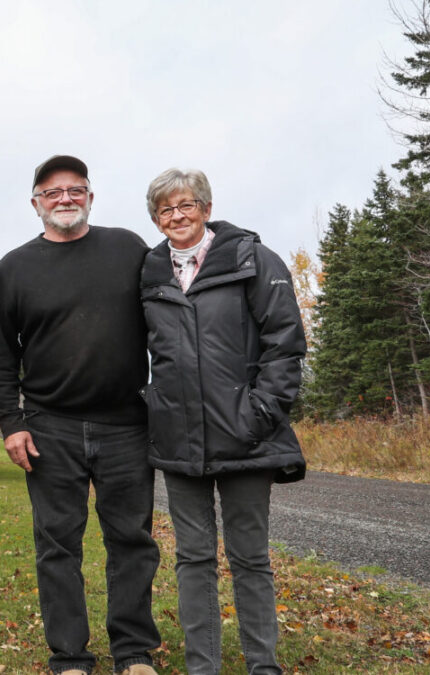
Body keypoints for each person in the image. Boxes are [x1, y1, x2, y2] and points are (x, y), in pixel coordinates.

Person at [0, 155, 161, 675]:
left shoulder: (127, 248)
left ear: (90, 196)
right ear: (36, 203)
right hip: (48, 428)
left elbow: (168, 316)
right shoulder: (15, 268)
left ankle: (133, 652)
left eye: (75, 189)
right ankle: (69, 656)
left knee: (132, 541)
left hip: (127, 425)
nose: (65, 198)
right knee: (57, 546)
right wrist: (10, 423)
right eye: (53, 191)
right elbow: (0, 356)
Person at [140, 168, 306, 675]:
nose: (177, 215)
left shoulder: (252, 259)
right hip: (179, 443)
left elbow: (285, 342)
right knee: (193, 560)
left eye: (186, 205)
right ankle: (203, 666)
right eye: (166, 209)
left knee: (251, 557)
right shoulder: (149, 272)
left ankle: (263, 665)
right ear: (156, 218)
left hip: (247, 438)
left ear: (206, 209)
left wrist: (258, 413)